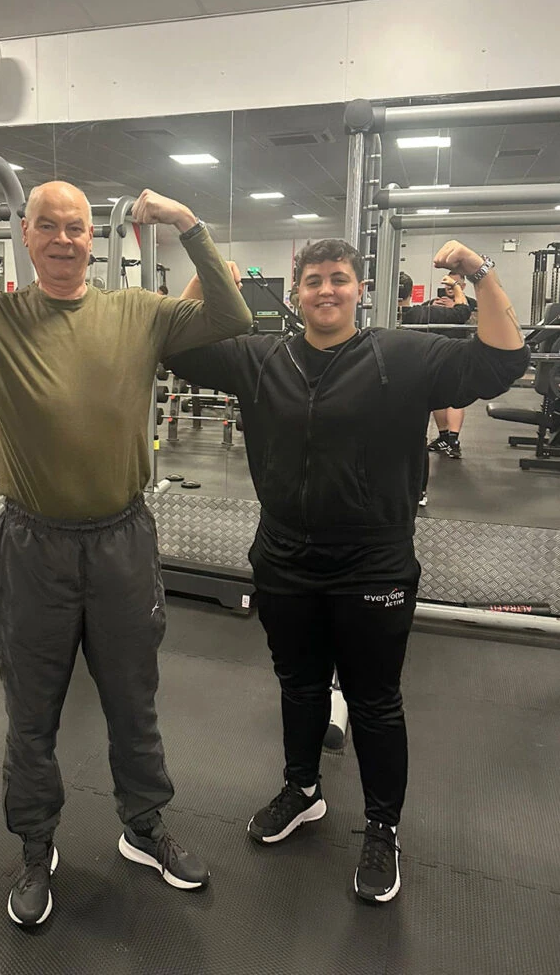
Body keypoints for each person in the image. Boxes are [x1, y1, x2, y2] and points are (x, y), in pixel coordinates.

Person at [0, 170, 251, 927]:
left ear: (92, 243)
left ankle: (144, 827)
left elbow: (231, 317)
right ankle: (36, 846)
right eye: (50, 226)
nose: (65, 239)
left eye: (78, 228)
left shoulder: (139, 313)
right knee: (31, 710)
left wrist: (186, 221)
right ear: (26, 236)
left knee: (133, 700)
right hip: (34, 547)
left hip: (123, 542)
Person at [168, 237, 528, 904]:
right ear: (297, 292)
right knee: (299, 686)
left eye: (337, 279)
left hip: (372, 559)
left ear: (358, 289)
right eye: (311, 281)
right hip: (282, 554)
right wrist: (203, 269)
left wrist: (478, 272)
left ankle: (382, 826)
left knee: (374, 701)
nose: (324, 290)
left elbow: (502, 360)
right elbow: (172, 343)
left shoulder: (403, 355)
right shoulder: (261, 356)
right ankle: (302, 789)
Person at [423, 271, 474, 459]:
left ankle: (454, 440)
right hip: (436, 353)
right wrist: (434, 309)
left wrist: (456, 308)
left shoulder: (470, 304)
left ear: (462, 286)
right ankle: (443, 436)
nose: (448, 288)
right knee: (436, 394)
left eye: (453, 285)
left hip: (459, 353)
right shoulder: (435, 302)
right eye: (446, 285)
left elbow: (477, 323)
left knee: (455, 396)